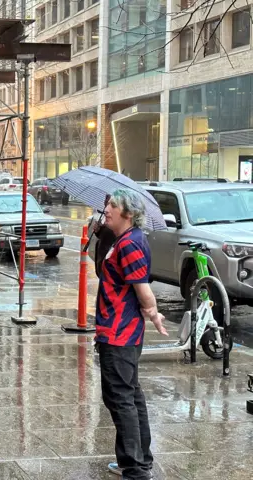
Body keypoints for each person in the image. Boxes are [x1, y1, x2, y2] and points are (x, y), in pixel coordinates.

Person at [95, 189, 168, 479]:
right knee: (128, 395)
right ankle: (137, 459)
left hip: (119, 334)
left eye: (113, 205)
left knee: (121, 398)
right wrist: (99, 235)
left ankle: (135, 469)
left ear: (128, 213)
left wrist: (154, 314)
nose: (107, 208)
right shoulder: (123, 240)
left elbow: (143, 290)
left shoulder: (130, 244)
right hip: (116, 331)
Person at [92, 194, 116, 278]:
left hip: (107, 272)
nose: (105, 202)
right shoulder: (108, 218)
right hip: (102, 268)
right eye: (105, 199)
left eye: (110, 202)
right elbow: (105, 236)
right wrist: (99, 230)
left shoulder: (116, 222)